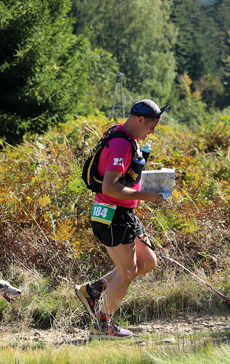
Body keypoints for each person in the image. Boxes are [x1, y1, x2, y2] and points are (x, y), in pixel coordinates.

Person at [75, 99, 168, 340]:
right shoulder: (121, 144)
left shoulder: (127, 137)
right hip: (112, 214)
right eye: (151, 126)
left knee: (147, 262)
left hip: (124, 212)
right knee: (127, 272)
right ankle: (102, 325)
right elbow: (110, 187)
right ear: (139, 120)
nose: (152, 132)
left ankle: (92, 290)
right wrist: (146, 196)